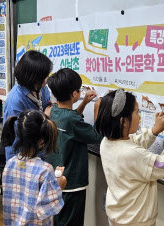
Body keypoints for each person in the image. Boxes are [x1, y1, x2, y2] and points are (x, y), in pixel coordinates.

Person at [95, 89, 164, 226]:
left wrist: (154, 131)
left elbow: (132, 144)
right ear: (123, 121)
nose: (140, 117)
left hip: (119, 218)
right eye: (137, 112)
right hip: (136, 222)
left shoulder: (106, 142)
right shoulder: (131, 154)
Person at [45, 68, 103, 226]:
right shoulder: (72, 120)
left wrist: (83, 103)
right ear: (74, 94)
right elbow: (97, 137)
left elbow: (70, 121)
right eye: (79, 89)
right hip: (72, 183)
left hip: (57, 178)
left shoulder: (55, 111)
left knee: (58, 220)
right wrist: (98, 111)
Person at [2, 110, 67, 226]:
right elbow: (48, 209)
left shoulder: (9, 164)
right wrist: (59, 186)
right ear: (41, 141)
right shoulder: (45, 170)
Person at [3, 50, 52, 161]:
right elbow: (18, 138)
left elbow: (47, 104)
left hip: (40, 153)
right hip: (22, 158)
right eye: (44, 76)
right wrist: (45, 117)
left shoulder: (42, 88)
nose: (47, 79)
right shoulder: (15, 101)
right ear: (33, 77)